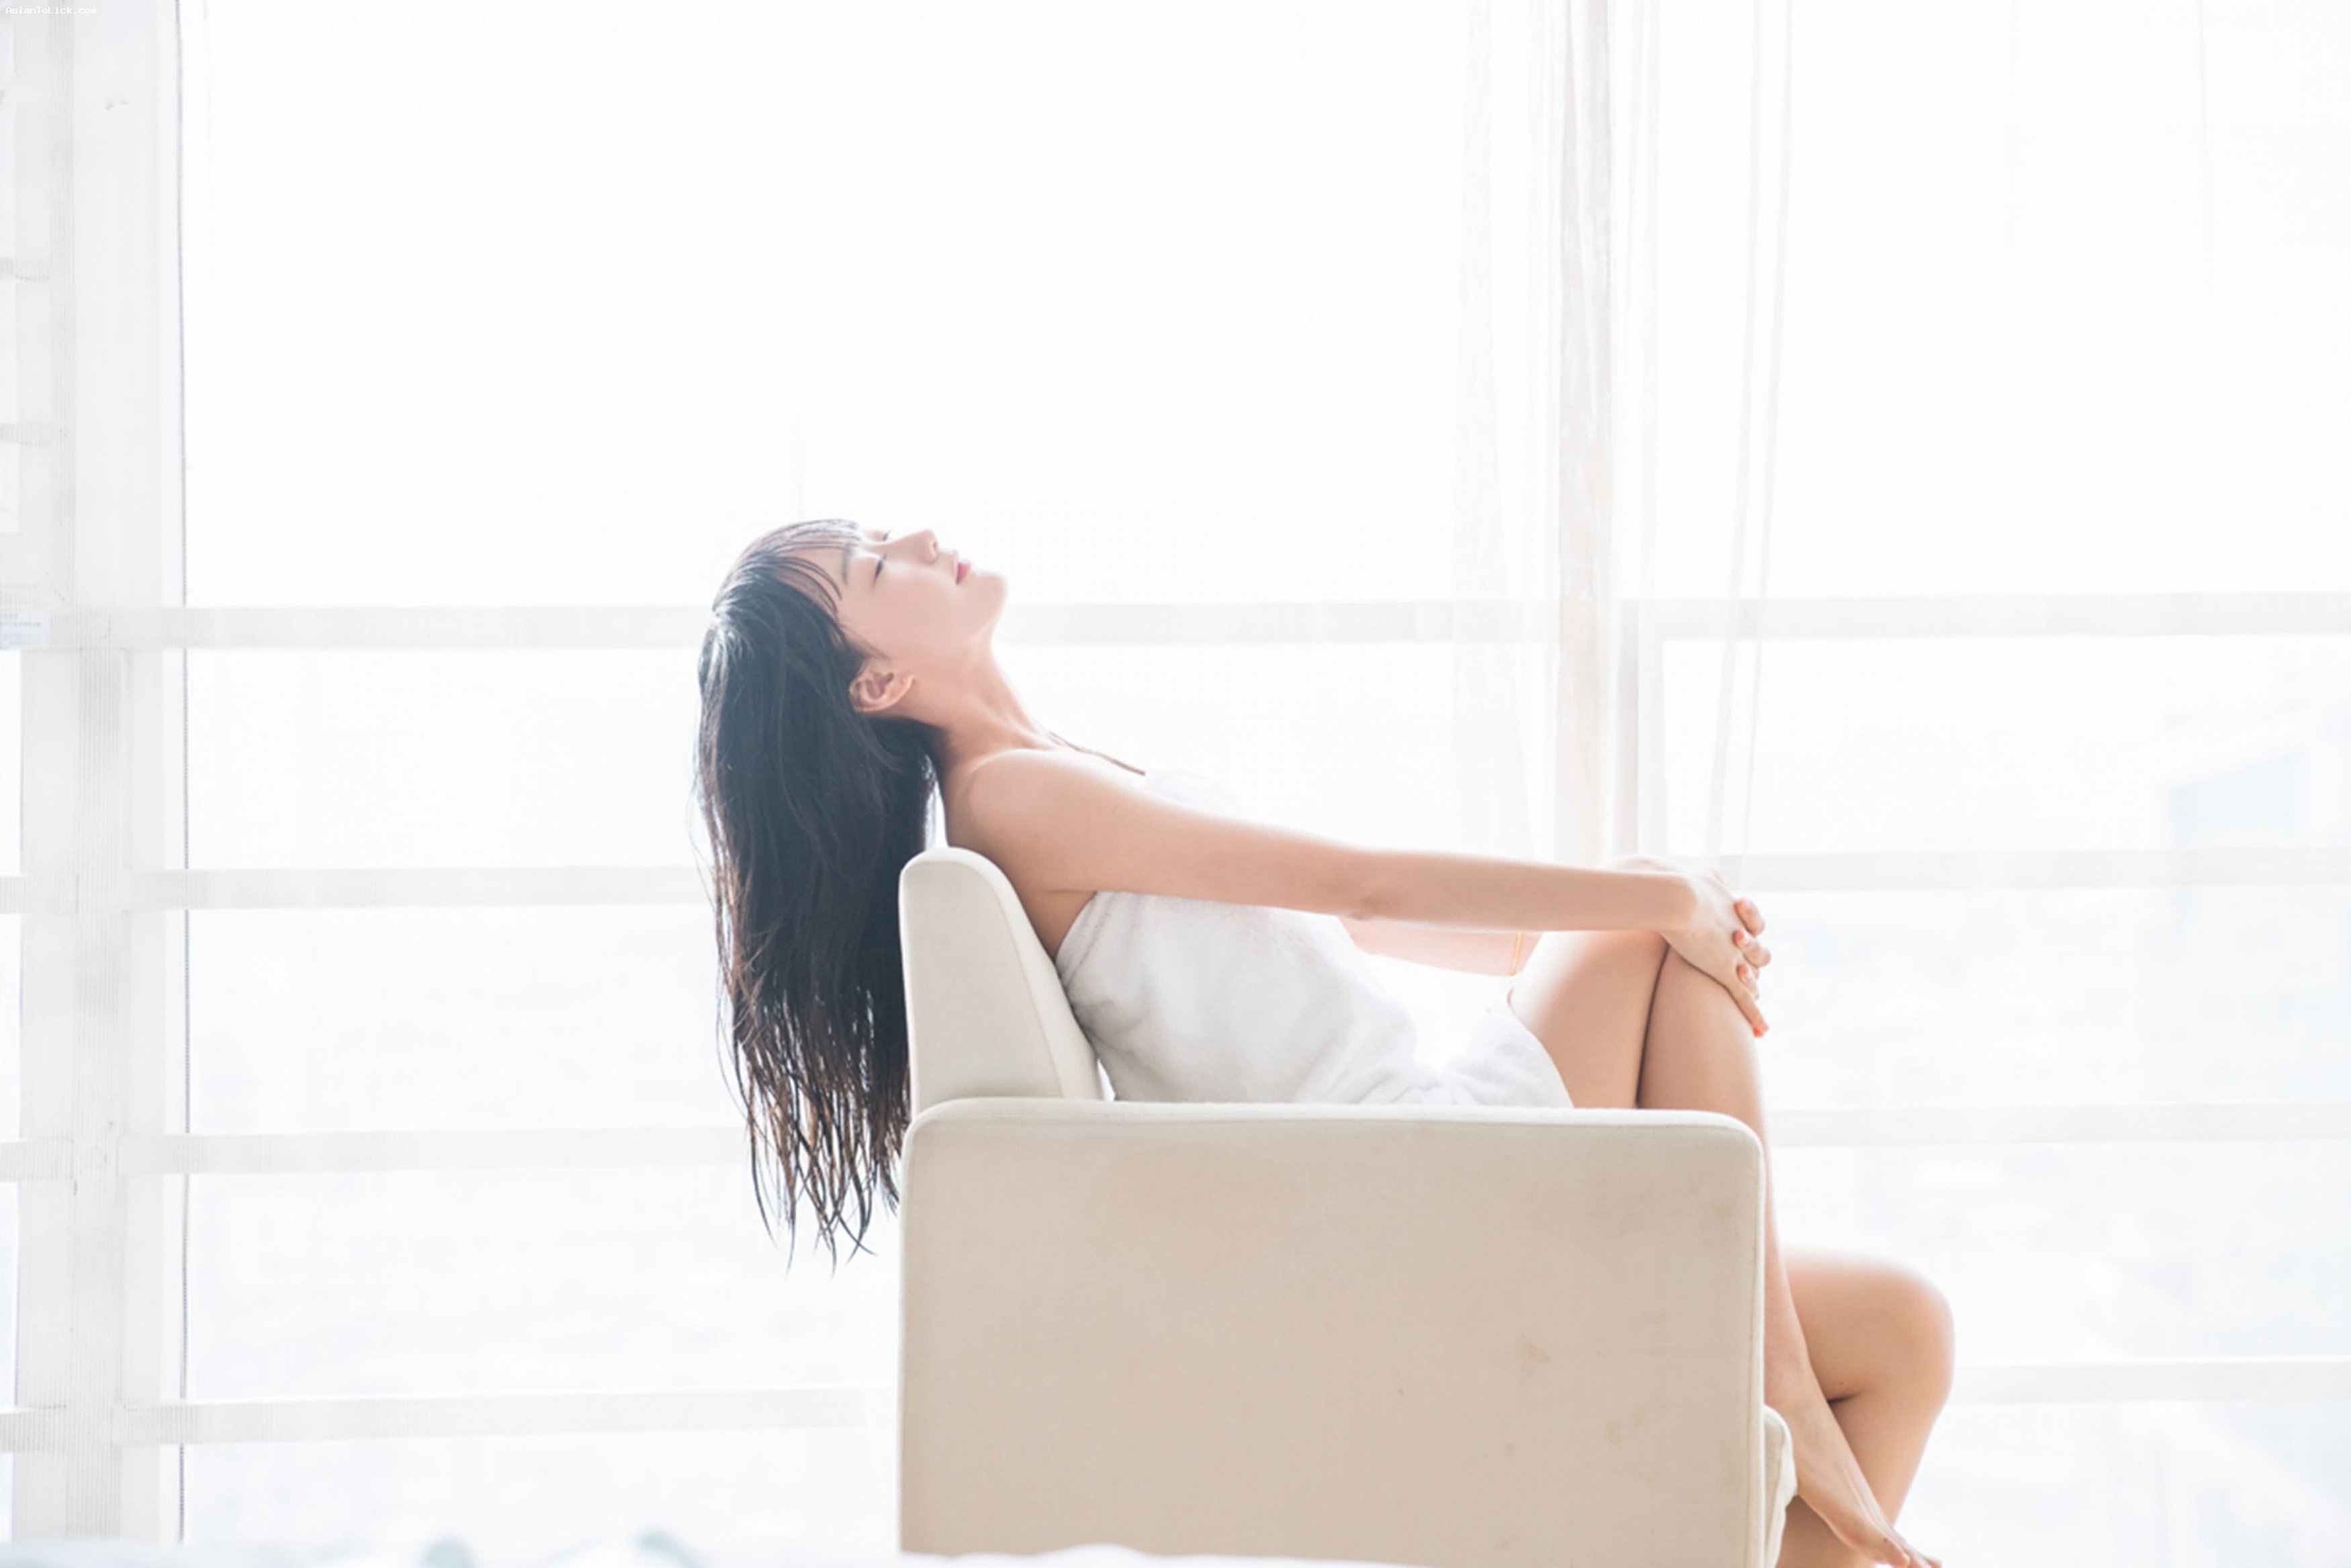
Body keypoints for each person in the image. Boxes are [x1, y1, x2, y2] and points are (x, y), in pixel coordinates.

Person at [693, 517, 1952, 1568]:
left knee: (1903, 1332)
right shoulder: (1015, 795)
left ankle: (1775, 1375)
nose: (919, 538)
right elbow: (1362, 886)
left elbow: (1365, 929)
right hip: (1409, 1176)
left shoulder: (1044, 770)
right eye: (876, 567)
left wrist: (1609, 924)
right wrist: (1660, 898)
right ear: (877, 686)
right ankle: (1777, 1381)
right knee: (1649, 913)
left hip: (1415, 1147)